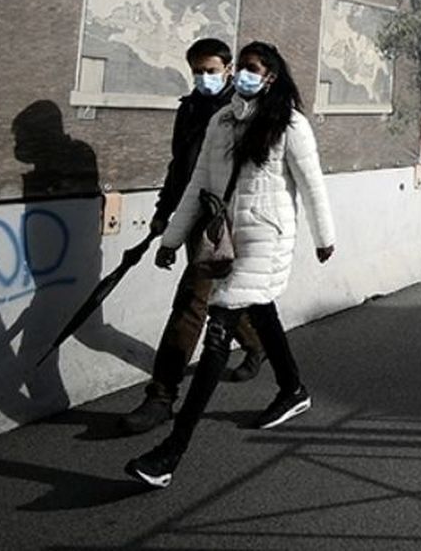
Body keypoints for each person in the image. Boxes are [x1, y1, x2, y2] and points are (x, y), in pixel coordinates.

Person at [126, 41, 335, 489]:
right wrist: (173, 237)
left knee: (218, 332)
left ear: (271, 77)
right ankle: (293, 389)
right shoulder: (221, 122)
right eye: (241, 67)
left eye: (252, 69)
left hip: (266, 238)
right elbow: (196, 182)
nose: (243, 74)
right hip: (223, 236)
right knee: (261, 310)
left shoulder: (290, 124)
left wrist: (325, 238)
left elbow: (313, 185)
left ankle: (171, 454)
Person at [119, 39, 265, 435]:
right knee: (218, 293)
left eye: (211, 71)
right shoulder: (189, 109)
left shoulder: (247, 111)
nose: (204, 78)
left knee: (192, 301)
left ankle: (161, 396)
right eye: (198, 71)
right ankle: (256, 343)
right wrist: (162, 215)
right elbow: (178, 166)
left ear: (229, 70)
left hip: (225, 220)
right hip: (191, 214)